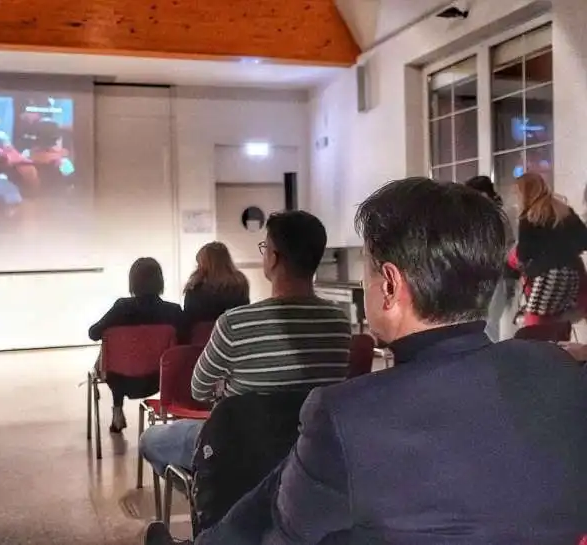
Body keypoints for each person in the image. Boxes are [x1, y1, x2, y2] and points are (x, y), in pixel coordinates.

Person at [144, 178, 587, 545]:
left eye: (369, 270)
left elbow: (274, 534)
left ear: (390, 285)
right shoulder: (558, 375)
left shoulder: (347, 417)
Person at [139, 211, 351, 477]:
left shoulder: (235, 323)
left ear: (273, 258)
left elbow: (198, 389)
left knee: (151, 439)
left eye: (265, 248)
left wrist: (227, 386)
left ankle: (206, 489)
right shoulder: (339, 323)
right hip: (311, 448)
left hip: (240, 445)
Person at [88, 258, 183, 433]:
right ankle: (174, 412)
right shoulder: (173, 311)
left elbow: (93, 333)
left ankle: (117, 409)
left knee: (117, 359)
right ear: (160, 281)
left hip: (121, 381)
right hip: (159, 380)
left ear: (132, 282)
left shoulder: (121, 307)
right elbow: (184, 341)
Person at [513, 172, 587, 326]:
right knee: (558, 323)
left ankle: (538, 350)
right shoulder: (564, 210)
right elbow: (583, 241)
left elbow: (524, 254)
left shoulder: (530, 216)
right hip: (572, 275)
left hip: (547, 276)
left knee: (536, 326)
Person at [463, 175, 512, 341]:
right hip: (484, 272)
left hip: (495, 273)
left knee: (490, 321)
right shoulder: (485, 215)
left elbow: (505, 244)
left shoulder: (495, 216)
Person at [183, 242, 250, 336]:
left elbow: (189, 322)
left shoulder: (196, 288)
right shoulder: (239, 284)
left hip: (201, 342)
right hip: (235, 337)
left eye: (199, 264)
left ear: (205, 264)